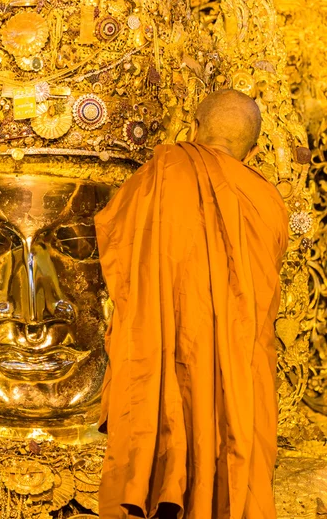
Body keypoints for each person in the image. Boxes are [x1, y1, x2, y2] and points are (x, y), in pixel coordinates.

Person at [95, 89, 289, 519]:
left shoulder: (155, 178)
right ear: (253, 150)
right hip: (235, 370)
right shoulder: (267, 201)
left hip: (165, 358)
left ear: (194, 127)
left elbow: (117, 251)